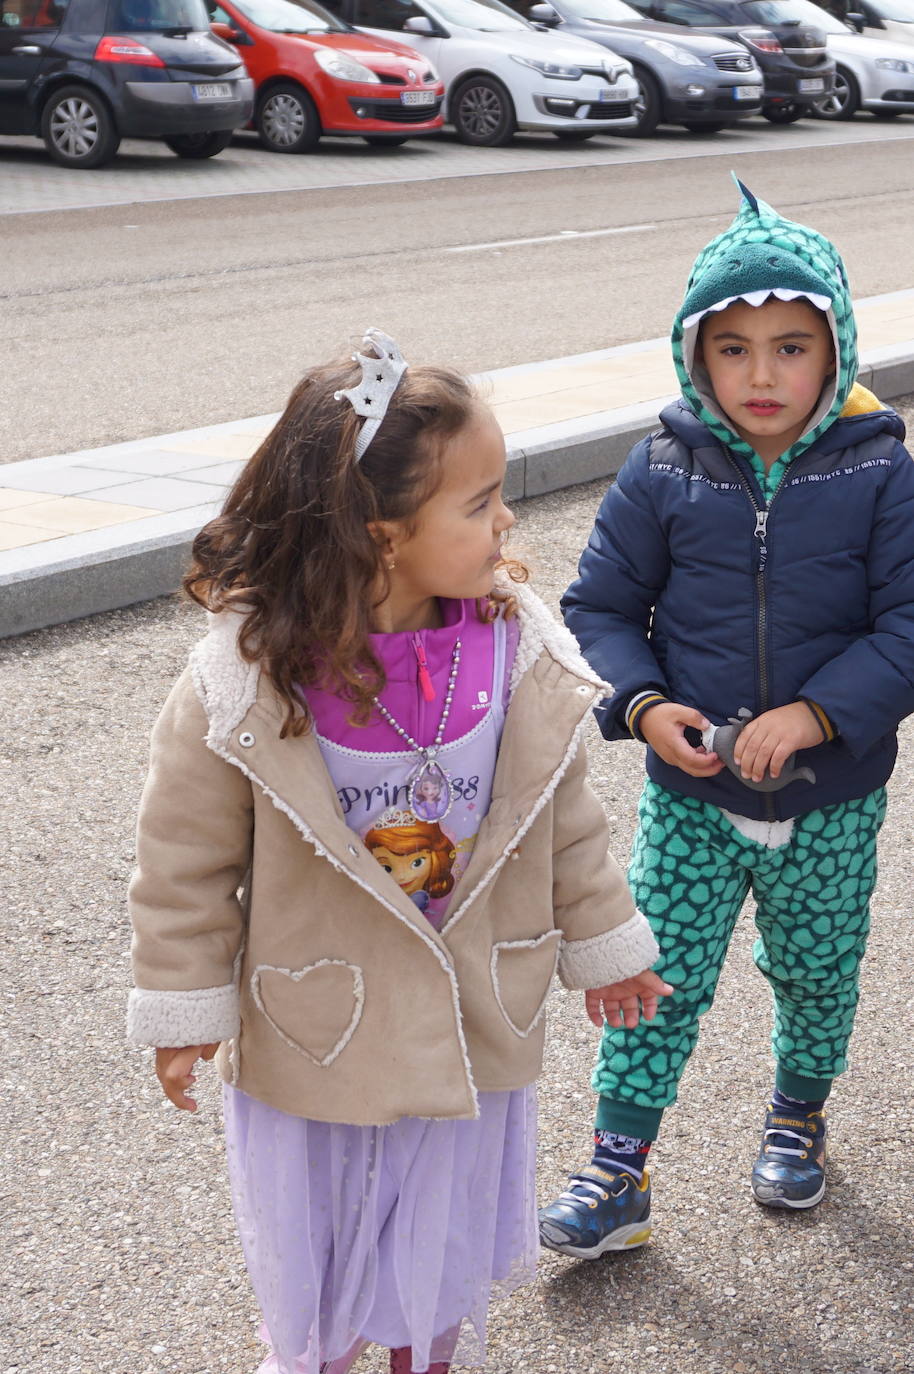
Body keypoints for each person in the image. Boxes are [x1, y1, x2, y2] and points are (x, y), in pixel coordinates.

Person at [126, 328, 669, 1374]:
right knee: (322, 1257)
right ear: (380, 537)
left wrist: (604, 942)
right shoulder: (246, 682)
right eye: (478, 503)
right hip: (320, 1028)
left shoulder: (512, 652)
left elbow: (560, 818)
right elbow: (182, 861)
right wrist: (183, 1006)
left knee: (435, 1247)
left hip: (465, 1021)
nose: (506, 520)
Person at [537, 180, 914, 1259]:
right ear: (691, 354)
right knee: (652, 968)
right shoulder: (658, 466)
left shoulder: (881, 468)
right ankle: (619, 1167)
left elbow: (903, 625)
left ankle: (797, 1112)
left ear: (833, 348)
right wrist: (642, 707)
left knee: (815, 966)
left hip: (828, 798)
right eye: (733, 347)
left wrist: (812, 713)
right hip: (689, 797)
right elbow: (598, 609)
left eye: (790, 347)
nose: (761, 375)